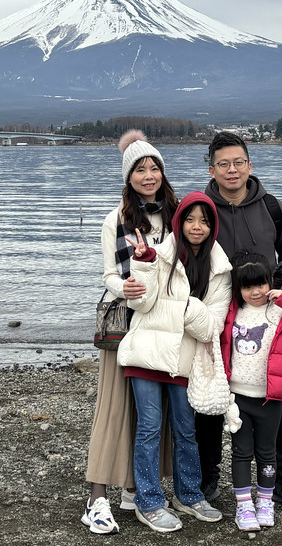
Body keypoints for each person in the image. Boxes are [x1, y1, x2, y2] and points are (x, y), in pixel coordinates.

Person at [198, 130, 282, 508]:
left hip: (265, 313)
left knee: (274, 397)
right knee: (211, 397)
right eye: (223, 164)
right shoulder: (202, 209)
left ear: (250, 165)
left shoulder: (271, 206)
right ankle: (207, 481)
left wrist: (273, 293)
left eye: (238, 162)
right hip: (219, 314)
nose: (232, 169)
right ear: (212, 169)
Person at [117, 191, 231, 532]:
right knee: (149, 429)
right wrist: (144, 262)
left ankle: (189, 495)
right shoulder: (160, 256)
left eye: (204, 220)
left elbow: (212, 326)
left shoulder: (220, 269)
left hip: (184, 360)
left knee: (186, 430)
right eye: (190, 219)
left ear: (213, 226)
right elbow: (142, 304)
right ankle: (149, 502)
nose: (197, 227)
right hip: (147, 354)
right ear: (179, 222)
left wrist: (182, 308)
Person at [82, 130, 178, 534]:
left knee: (156, 411)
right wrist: (126, 286)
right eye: (140, 169)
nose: (149, 174)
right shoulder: (114, 219)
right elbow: (108, 273)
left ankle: (136, 487)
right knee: (115, 406)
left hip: (166, 323)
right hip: (125, 324)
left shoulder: (176, 215)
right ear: (129, 177)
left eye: (154, 166)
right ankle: (95, 498)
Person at [220, 252, 282, 532]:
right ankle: (243, 505)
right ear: (239, 289)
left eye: (261, 285)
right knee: (241, 453)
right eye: (247, 286)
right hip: (237, 398)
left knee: (267, 453)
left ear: (270, 283)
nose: (255, 292)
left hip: (270, 398)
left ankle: (265, 501)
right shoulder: (233, 312)